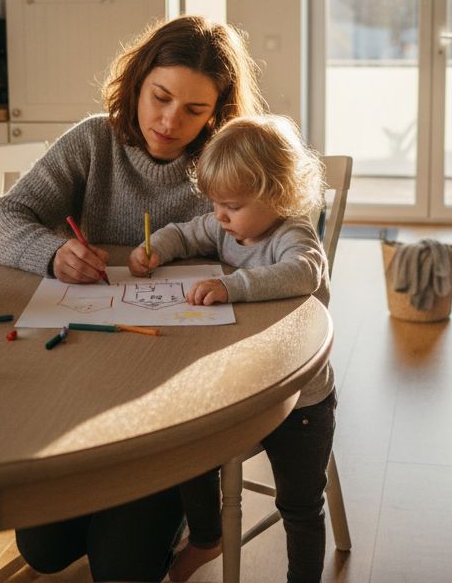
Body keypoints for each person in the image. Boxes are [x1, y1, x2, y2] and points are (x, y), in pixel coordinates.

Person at [0, 14, 265, 582]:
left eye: (194, 110)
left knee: (122, 567)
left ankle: (183, 509)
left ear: (219, 113)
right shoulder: (93, 140)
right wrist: (51, 253)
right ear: (138, 82)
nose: (169, 121)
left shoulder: (229, 161)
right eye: (160, 97)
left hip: (180, 394)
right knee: (44, 550)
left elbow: (278, 248)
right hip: (86, 381)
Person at [128, 114, 337, 583]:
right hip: (239, 383)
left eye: (232, 206)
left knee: (300, 505)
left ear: (278, 196)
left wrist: (233, 286)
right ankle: (206, 535)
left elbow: (306, 272)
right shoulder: (225, 224)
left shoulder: (292, 234)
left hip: (299, 398)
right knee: (191, 445)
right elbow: (184, 232)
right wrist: (156, 249)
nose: (220, 216)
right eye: (215, 204)